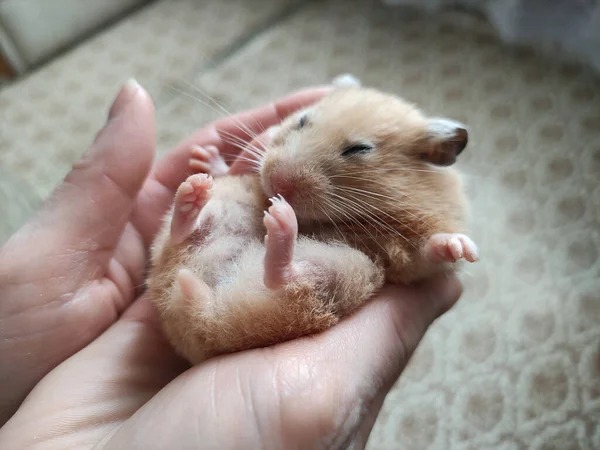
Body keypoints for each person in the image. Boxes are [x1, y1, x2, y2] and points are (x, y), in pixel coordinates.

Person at [0, 80, 462, 449]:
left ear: (433, 154)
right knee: (226, 197)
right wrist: (223, 170)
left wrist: (433, 250)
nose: (284, 170)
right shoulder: (272, 172)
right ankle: (237, 247)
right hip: (196, 300)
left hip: (235, 305)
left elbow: (408, 255)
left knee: (356, 271)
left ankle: (278, 268)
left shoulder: (419, 187)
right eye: (300, 126)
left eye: (356, 151)